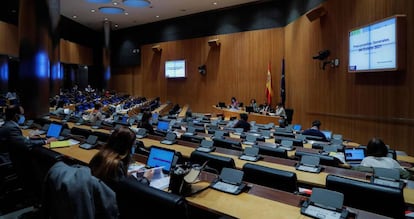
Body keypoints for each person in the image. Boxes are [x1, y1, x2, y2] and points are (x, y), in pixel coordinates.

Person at [89, 126, 154, 189]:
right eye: (133, 144)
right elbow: (127, 191)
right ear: (127, 146)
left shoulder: (101, 154)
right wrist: (146, 179)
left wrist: (126, 174)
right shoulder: (116, 164)